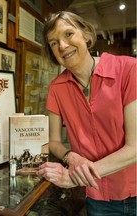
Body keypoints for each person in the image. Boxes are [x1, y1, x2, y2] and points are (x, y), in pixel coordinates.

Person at [35, 11, 136, 215]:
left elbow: (135, 147)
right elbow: (53, 141)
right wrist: (71, 156)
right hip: (96, 196)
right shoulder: (56, 88)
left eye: (68, 34)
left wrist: (72, 178)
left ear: (86, 35)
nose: (62, 46)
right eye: (54, 43)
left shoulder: (128, 69)